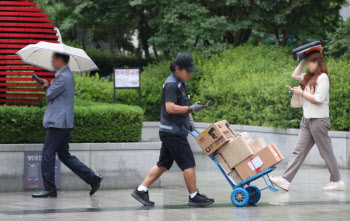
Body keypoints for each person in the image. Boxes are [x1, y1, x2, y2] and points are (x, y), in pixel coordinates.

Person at [131, 53, 214, 206]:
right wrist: (191, 109)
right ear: (177, 68)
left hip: (173, 130)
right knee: (188, 163)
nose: (189, 74)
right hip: (172, 132)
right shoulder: (171, 84)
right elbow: (170, 107)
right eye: (187, 71)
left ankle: (141, 190)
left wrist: (190, 118)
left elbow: (183, 104)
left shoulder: (181, 83)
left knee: (163, 164)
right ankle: (194, 196)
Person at [270, 51, 345, 192]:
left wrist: (302, 93)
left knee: (326, 152)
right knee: (298, 151)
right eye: (308, 62)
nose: (309, 65)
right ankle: (286, 180)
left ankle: (337, 181)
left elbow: (318, 99)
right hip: (307, 119)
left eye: (311, 62)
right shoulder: (308, 77)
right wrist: (303, 60)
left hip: (319, 120)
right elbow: (294, 75)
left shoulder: (323, 78)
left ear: (318, 63)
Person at [32, 52, 103, 198]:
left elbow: (50, 94)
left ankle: (49, 188)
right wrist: (48, 84)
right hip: (62, 122)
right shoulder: (63, 76)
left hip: (58, 123)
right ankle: (92, 178)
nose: (52, 62)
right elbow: (53, 93)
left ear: (60, 60)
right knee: (64, 155)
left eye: (53, 59)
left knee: (47, 154)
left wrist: (48, 85)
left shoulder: (63, 77)